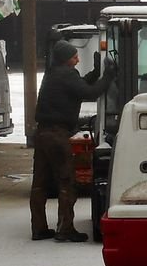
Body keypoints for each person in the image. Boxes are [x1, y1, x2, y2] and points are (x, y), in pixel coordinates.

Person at [31, 39, 115, 241]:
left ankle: (39, 228)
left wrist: (95, 73)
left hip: (42, 134)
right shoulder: (67, 74)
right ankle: (65, 228)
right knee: (67, 182)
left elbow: (79, 86)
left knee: (40, 184)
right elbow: (89, 92)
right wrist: (107, 76)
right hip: (57, 135)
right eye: (74, 56)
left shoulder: (54, 74)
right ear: (65, 59)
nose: (78, 59)